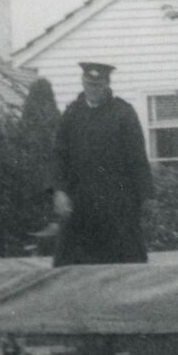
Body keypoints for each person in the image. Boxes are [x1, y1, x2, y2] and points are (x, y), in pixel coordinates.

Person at [51, 61, 153, 265]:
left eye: (97, 85)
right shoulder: (72, 113)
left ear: (107, 84)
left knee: (124, 260)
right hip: (81, 202)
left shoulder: (124, 113)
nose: (92, 89)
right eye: (88, 84)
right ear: (82, 82)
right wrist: (59, 191)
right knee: (73, 263)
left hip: (116, 203)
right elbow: (59, 155)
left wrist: (146, 196)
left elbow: (137, 158)